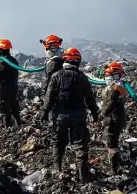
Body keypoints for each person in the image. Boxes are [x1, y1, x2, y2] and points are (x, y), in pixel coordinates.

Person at [42, 47, 99, 182]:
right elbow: (90, 98)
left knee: (58, 142)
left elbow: (49, 97)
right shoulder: (82, 78)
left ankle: (57, 170)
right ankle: (83, 175)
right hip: (78, 116)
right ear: (77, 61)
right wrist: (95, 113)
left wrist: (44, 112)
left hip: (59, 116)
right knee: (79, 145)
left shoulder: (56, 76)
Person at [99, 61, 129, 174]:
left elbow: (111, 104)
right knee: (113, 141)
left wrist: (102, 114)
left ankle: (114, 169)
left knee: (112, 142)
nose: (107, 78)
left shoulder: (116, 88)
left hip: (114, 119)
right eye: (106, 75)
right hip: (116, 118)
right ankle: (116, 163)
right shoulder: (117, 85)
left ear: (115, 75)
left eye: (109, 75)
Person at [0, 38, 21, 126]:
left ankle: (7, 128)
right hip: (14, 88)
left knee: (4, 109)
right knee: (14, 107)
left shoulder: (1, 62)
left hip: (4, 90)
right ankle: (18, 125)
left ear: (0, 50)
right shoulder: (14, 60)